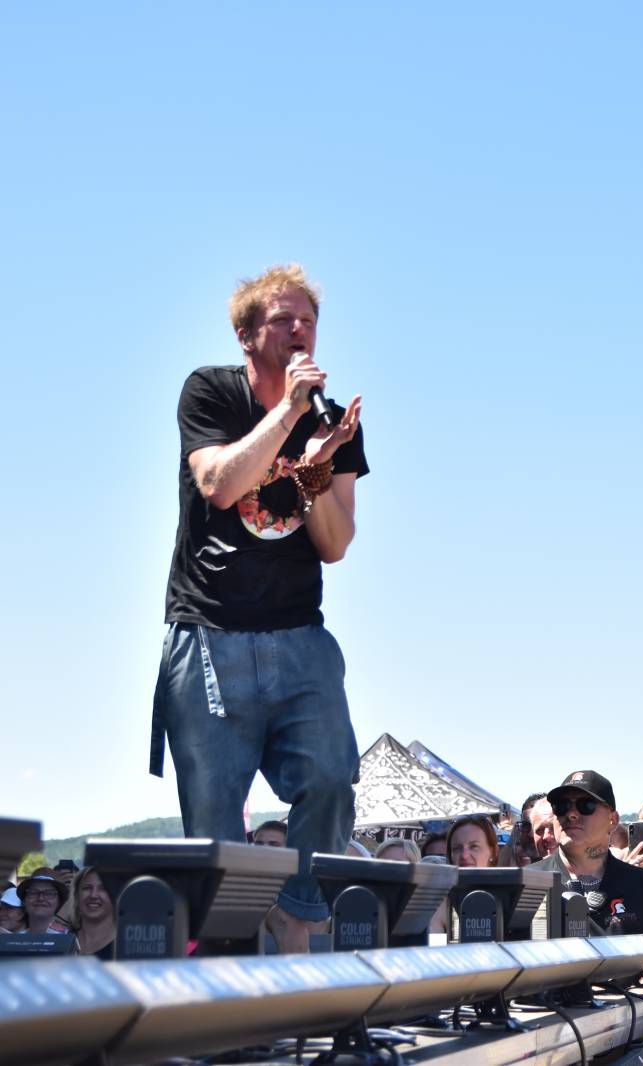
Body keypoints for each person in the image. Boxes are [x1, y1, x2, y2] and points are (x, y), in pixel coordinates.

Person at [152, 264, 369, 953]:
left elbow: (334, 544)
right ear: (247, 335)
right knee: (215, 818)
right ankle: (226, 968)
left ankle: (296, 914)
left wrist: (314, 471)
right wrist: (288, 418)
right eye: (284, 318)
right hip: (210, 634)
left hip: (300, 636)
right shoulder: (211, 390)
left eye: (308, 318)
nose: (300, 329)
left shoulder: (334, 422)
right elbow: (219, 484)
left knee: (333, 777)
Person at [532, 770, 643, 1004]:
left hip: (632, 1033)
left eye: (585, 805)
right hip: (545, 1028)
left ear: (613, 820)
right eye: (562, 806)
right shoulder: (528, 883)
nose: (572, 814)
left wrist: (626, 1012)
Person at [71, 868, 116, 959]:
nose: (93, 895)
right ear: (77, 895)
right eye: (87, 888)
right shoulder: (64, 941)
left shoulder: (125, 946)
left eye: (103, 888)